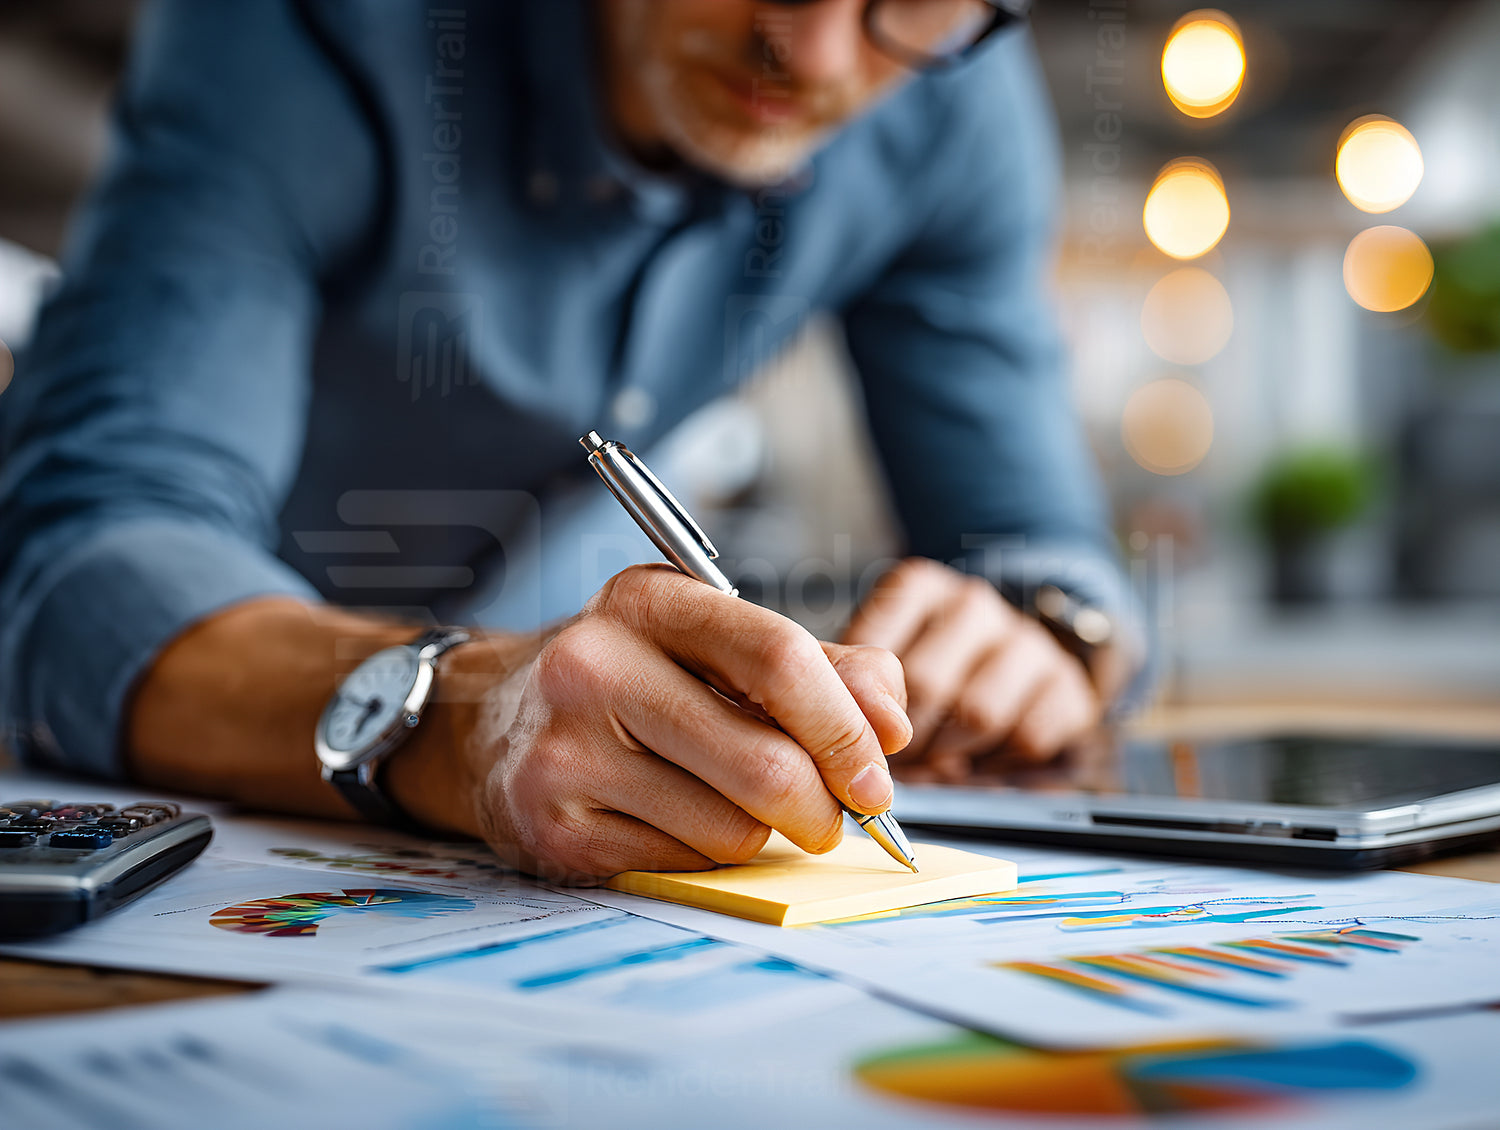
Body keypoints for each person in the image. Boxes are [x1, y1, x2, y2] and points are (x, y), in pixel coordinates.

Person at [0, 0, 1142, 882]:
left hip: (561, 817)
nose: (820, 51)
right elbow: (87, 547)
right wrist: (453, 713)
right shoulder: (313, 27)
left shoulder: (951, 92)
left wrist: (1044, 634)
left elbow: (1035, 539)